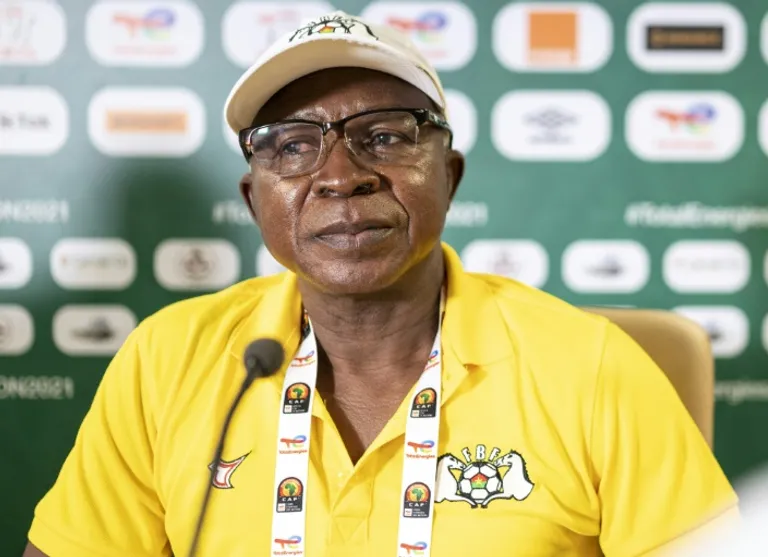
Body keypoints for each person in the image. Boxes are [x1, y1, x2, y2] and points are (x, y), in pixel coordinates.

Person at [24, 11, 738, 557]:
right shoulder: (167, 358)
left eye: (387, 136)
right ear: (253, 201)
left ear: (449, 177)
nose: (340, 176)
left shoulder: (591, 367)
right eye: (293, 145)